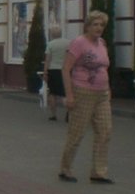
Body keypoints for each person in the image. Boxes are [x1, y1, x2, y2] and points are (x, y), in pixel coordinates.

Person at [58, 10, 113, 184]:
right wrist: (69, 95)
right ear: (87, 26)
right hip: (82, 92)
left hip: (102, 94)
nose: (99, 28)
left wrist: (108, 88)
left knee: (105, 132)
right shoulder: (78, 43)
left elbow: (104, 67)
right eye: (95, 24)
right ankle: (65, 169)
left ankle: (98, 172)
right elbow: (66, 69)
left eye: (101, 25)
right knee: (77, 133)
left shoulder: (102, 43)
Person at [42, 26, 71, 122]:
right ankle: (68, 113)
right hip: (66, 70)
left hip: (53, 70)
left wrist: (45, 72)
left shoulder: (50, 44)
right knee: (65, 93)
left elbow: (47, 59)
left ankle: (53, 115)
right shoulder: (68, 43)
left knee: (53, 93)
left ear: (52, 35)